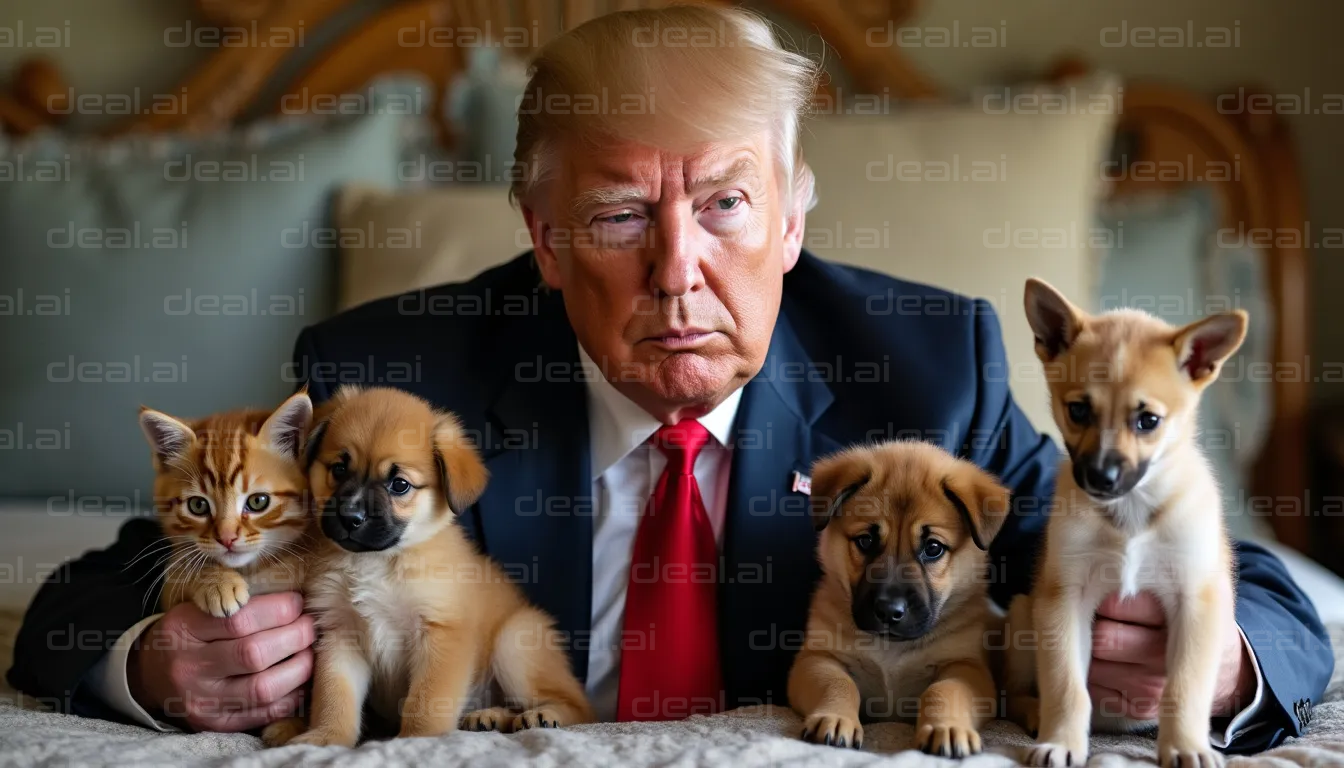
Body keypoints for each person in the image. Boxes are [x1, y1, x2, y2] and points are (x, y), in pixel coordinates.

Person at [8, 5, 1329, 751]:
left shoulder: (935, 374)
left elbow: (1261, 593)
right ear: (543, 233)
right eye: (625, 216)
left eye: (726, 206)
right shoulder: (388, 382)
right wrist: (148, 661)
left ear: (796, 219)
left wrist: (1215, 676)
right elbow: (97, 586)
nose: (680, 270)